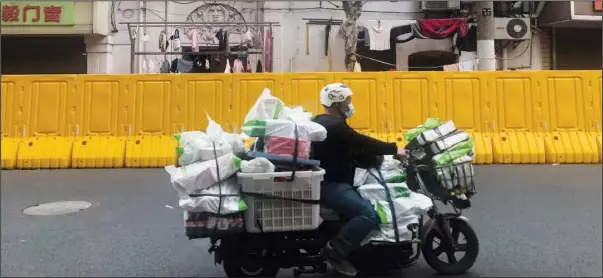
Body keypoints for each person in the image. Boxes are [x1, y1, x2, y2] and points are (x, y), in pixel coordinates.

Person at [311, 83, 406, 276]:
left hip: (333, 180)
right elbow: (361, 141)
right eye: (347, 101)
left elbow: (351, 149)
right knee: (369, 214)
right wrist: (394, 149)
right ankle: (335, 252)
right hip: (332, 185)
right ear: (336, 103)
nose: (350, 105)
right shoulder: (335, 126)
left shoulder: (323, 121)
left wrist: (375, 158)